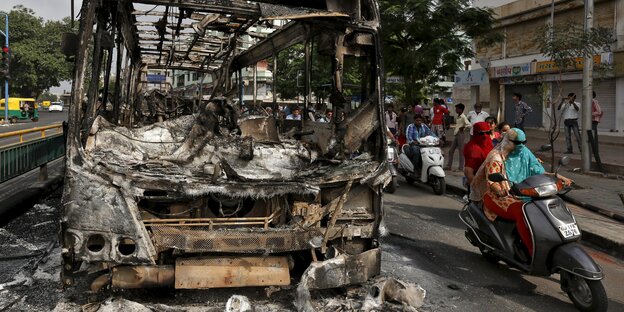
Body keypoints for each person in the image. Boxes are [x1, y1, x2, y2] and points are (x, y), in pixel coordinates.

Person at [470, 128, 572, 259]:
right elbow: (492, 182)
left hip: (525, 192)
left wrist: (557, 177)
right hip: (498, 196)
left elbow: (538, 171)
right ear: (507, 141)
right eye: (517, 143)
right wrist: (500, 190)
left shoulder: (524, 152)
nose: (521, 145)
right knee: (521, 212)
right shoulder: (496, 157)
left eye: (524, 142)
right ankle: (530, 252)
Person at [463, 121, 493, 190]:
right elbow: (468, 171)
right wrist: (477, 188)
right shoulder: (473, 149)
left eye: (487, 133)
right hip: (479, 185)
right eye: (481, 133)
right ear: (475, 134)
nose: (485, 136)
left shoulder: (489, 144)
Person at [445, 103, 470, 171]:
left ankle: (461, 167)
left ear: (461, 109)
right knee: (451, 151)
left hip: (460, 134)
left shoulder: (463, 116)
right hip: (456, 134)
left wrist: (463, 127)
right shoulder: (459, 116)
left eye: (457, 108)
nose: (456, 110)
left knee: (461, 151)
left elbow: (469, 124)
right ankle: (449, 166)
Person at [591, 91, 603, 156]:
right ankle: (593, 151)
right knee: (591, 136)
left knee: (594, 136)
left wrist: (590, 114)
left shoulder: (594, 101)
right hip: (590, 121)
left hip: (594, 120)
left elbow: (599, 111)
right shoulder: (589, 102)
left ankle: (595, 151)